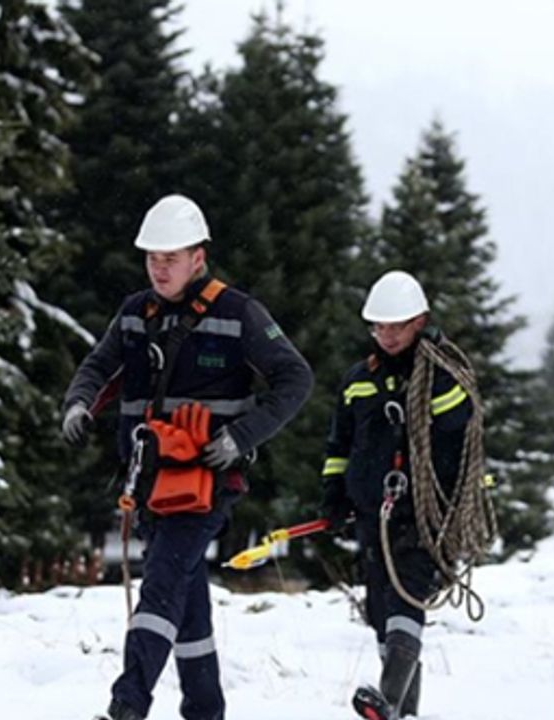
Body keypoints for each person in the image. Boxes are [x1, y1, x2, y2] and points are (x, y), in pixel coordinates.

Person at [61, 194, 313, 720]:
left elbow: (296, 378)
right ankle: (205, 710)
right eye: (152, 257)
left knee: (159, 588)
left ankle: (125, 707)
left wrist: (241, 437)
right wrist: (77, 404)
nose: (159, 267)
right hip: (149, 484)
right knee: (185, 598)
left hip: (207, 486)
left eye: (170, 257)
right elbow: (97, 365)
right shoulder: (134, 313)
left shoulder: (240, 312)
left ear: (199, 257)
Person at [318, 271, 475, 720]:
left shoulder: (441, 377)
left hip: (424, 516)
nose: (386, 336)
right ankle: (402, 713)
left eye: (396, 327)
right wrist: (334, 495)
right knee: (381, 611)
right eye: (378, 327)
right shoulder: (358, 381)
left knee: (407, 600)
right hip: (373, 514)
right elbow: (338, 445)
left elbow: (462, 438)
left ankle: (385, 700)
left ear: (420, 322)